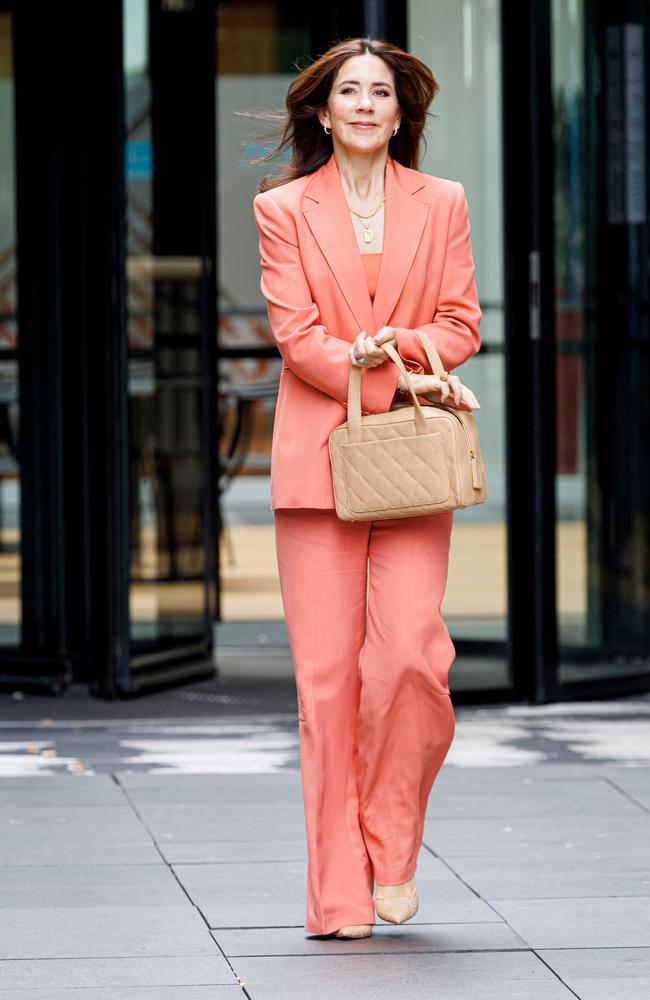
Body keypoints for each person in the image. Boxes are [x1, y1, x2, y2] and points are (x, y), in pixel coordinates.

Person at [251, 36, 481, 939]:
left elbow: (461, 320)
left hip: (414, 462)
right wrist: (390, 365)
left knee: (412, 660)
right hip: (320, 464)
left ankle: (391, 841)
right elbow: (298, 337)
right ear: (320, 108)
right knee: (326, 687)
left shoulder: (446, 203)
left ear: (400, 112)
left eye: (381, 92)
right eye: (349, 90)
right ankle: (338, 896)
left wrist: (409, 359)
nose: (364, 104)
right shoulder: (281, 210)